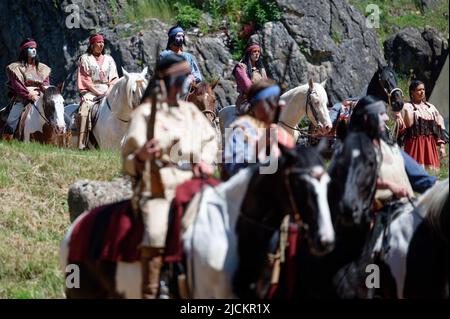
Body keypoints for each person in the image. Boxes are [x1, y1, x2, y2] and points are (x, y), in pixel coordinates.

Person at [121, 54, 218, 298]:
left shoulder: (191, 112)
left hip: (195, 182)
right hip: (158, 185)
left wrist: (205, 162)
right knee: (155, 229)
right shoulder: (145, 114)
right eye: (179, 78)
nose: (183, 83)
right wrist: (142, 155)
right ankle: (155, 288)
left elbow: (210, 140)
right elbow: (129, 161)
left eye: (185, 78)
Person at [345, 95, 415, 208]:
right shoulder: (353, 150)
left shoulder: (392, 147)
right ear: (367, 118)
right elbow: (356, 179)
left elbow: (420, 177)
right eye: (381, 114)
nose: (387, 118)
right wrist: (388, 185)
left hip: (408, 210)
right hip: (376, 215)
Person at [223, 79, 293, 178]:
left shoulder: (282, 133)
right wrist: (260, 145)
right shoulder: (242, 128)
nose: (274, 105)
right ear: (254, 105)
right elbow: (232, 168)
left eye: (277, 100)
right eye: (269, 101)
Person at [2, 38, 51, 140]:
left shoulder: (42, 68)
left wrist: (39, 93)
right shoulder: (15, 67)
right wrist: (29, 95)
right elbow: (17, 86)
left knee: (57, 112)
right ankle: (7, 140)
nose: (33, 50)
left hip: (40, 96)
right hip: (22, 98)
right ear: (24, 50)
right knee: (12, 119)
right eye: (30, 48)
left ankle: (65, 134)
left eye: (35, 48)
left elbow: (46, 84)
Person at [76, 33, 118, 149]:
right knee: (84, 111)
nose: (101, 45)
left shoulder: (109, 59)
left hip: (108, 90)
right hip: (91, 91)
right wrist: (98, 93)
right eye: (98, 42)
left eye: (102, 42)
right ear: (92, 44)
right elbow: (85, 80)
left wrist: (108, 91)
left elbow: (114, 78)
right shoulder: (85, 58)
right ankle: (82, 143)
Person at [394, 80, 447, 170]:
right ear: (412, 92)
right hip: (414, 146)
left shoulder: (431, 108)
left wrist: (442, 147)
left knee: (432, 172)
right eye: (419, 90)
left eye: (423, 89)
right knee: (414, 171)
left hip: (430, 147)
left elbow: (439, 127)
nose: (422, 92)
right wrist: (398, 118)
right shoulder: (406, 107)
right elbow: (400, 131)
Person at [233, 41, 268, 115]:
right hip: (246, 101)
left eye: (258, 51)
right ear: (249, 53)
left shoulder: (261, 69)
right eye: (254, 51)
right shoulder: (241, 67)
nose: (257, 53)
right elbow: (247, 86)